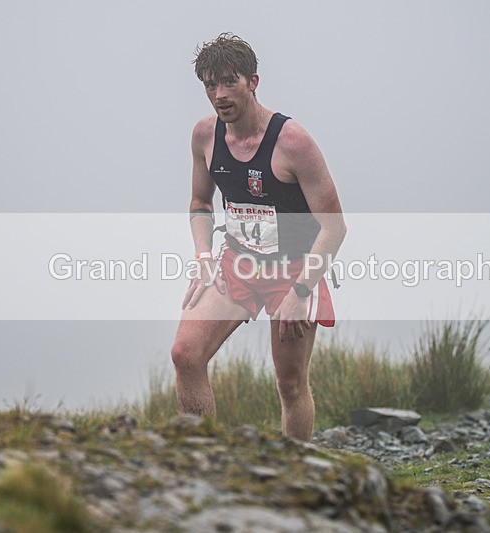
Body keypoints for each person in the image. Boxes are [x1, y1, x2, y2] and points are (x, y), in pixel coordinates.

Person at [170, 33, 347, 442]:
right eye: (210, 85)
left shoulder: (293, 142)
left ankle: (293, 476)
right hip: (238, 263)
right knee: (185, 355)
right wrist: (204, 257)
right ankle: (203, 459)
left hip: (296, 269)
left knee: (290, 385)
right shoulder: (205, 136)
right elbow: (200, 202)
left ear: (253, 81)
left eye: (229, 81)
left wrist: (301, 290)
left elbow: (335, 226)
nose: (219, 94)